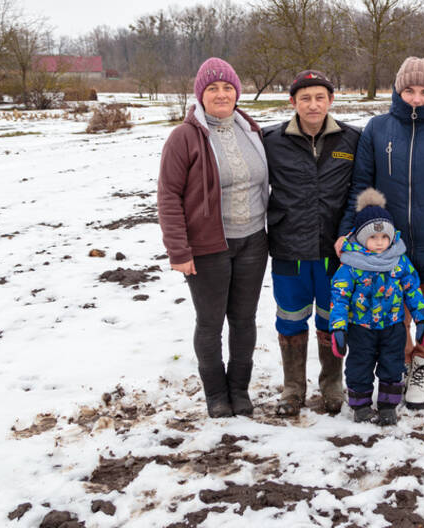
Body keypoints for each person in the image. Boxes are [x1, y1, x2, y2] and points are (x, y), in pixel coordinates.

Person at [335, 57, 424, 410]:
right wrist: (346, 233)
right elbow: (360, 187)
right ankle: (396, 367)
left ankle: (422, 369)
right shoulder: (377, 128)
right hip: (384, 243)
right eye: (409, 90)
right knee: (392, 310)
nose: (416, 98)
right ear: (398, 91)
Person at [157, 57, 269, 418]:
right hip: (208, 247)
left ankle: (239, 389)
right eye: (212, 88)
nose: (221, 94)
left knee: (244, 320)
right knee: (210, 323)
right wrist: (179, 250)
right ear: (200, 94)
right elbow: (168, 195)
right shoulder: (184, 137)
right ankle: (216, 394)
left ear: (237, 92)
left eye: (228, 87)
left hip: (253, 240)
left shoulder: (251, 130)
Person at [262, 70, 361, 416]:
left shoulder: (352, 140)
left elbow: (360, 191)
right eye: (305, 98)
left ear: (331, 100)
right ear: (293, 102)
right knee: (289, 318)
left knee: (331, 317)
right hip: (289, 248)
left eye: (320, 97)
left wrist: (349, 233)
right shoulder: (271, 140)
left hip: (335, 252)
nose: (313, 104)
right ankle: (293, 388)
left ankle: (332, 384)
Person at [330, 189, 424, 425]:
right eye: (373, 238)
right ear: (361, 237)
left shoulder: (399, 261)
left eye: (384, 237)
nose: (379, 242)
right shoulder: (350, 265)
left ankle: (387, 406)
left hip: (393, 327)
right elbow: (340, 298)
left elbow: (412, 290)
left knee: (392, 367)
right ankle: (361, 406)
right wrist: (338, 328)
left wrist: (422, 319)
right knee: (359, 367)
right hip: (360, 328)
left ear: (391, 238)